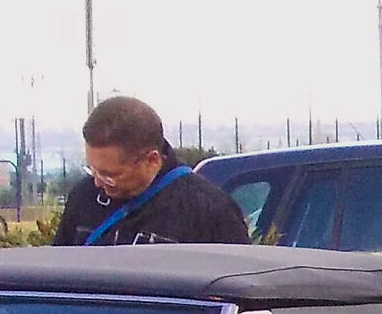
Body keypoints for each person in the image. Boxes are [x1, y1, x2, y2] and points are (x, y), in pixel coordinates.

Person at [55, 96, 250, 247]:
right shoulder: (84, 196)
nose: (97, 183)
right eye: (92, 170)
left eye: (110, 175)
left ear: (152, 160)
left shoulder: (211, 211)